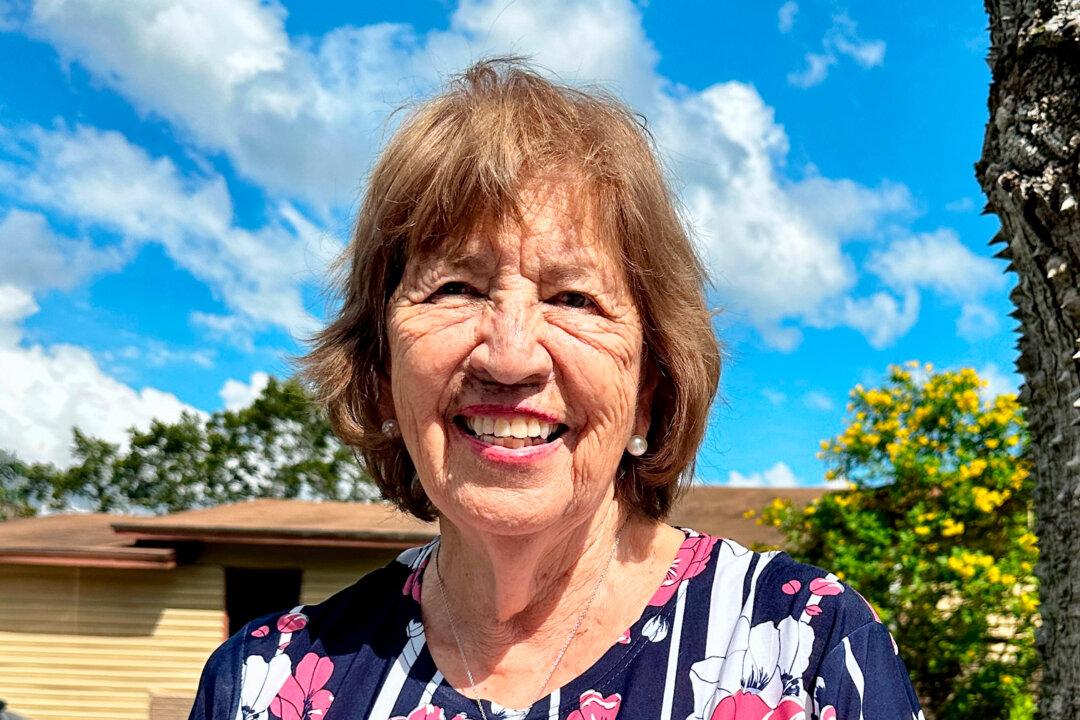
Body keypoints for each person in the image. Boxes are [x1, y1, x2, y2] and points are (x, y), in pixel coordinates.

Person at [188, 59, 923, 720]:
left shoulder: (808, 652)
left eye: (573, 298)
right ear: (379, 371)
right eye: (455, 287)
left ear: (651, 386)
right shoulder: (263, 687)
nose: (509, 358)